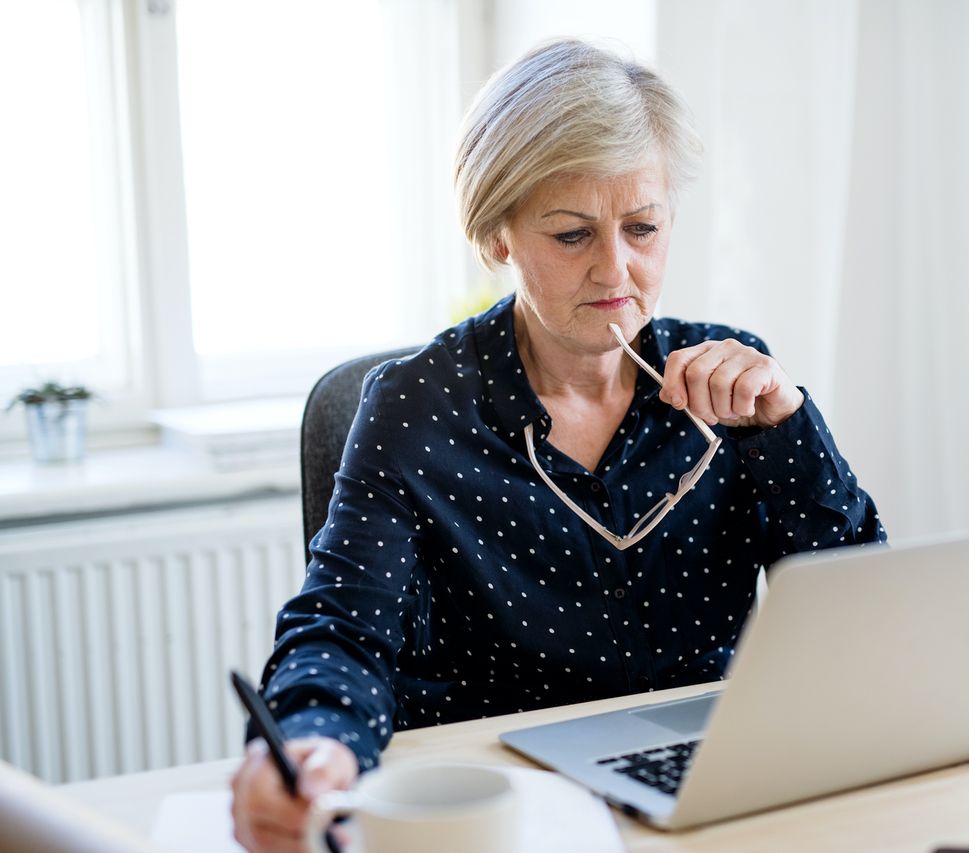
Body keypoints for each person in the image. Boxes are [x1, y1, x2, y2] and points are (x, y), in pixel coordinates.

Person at [231, 38, 885, 852]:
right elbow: (340, 627)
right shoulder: (416, 406)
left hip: (713, 791)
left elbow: (866, 611)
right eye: (572, 235)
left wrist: (791, 427)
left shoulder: (733, 385)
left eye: (642, 227)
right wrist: (312, 740)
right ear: (499, 234)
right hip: (499, 808)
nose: (617, 270)